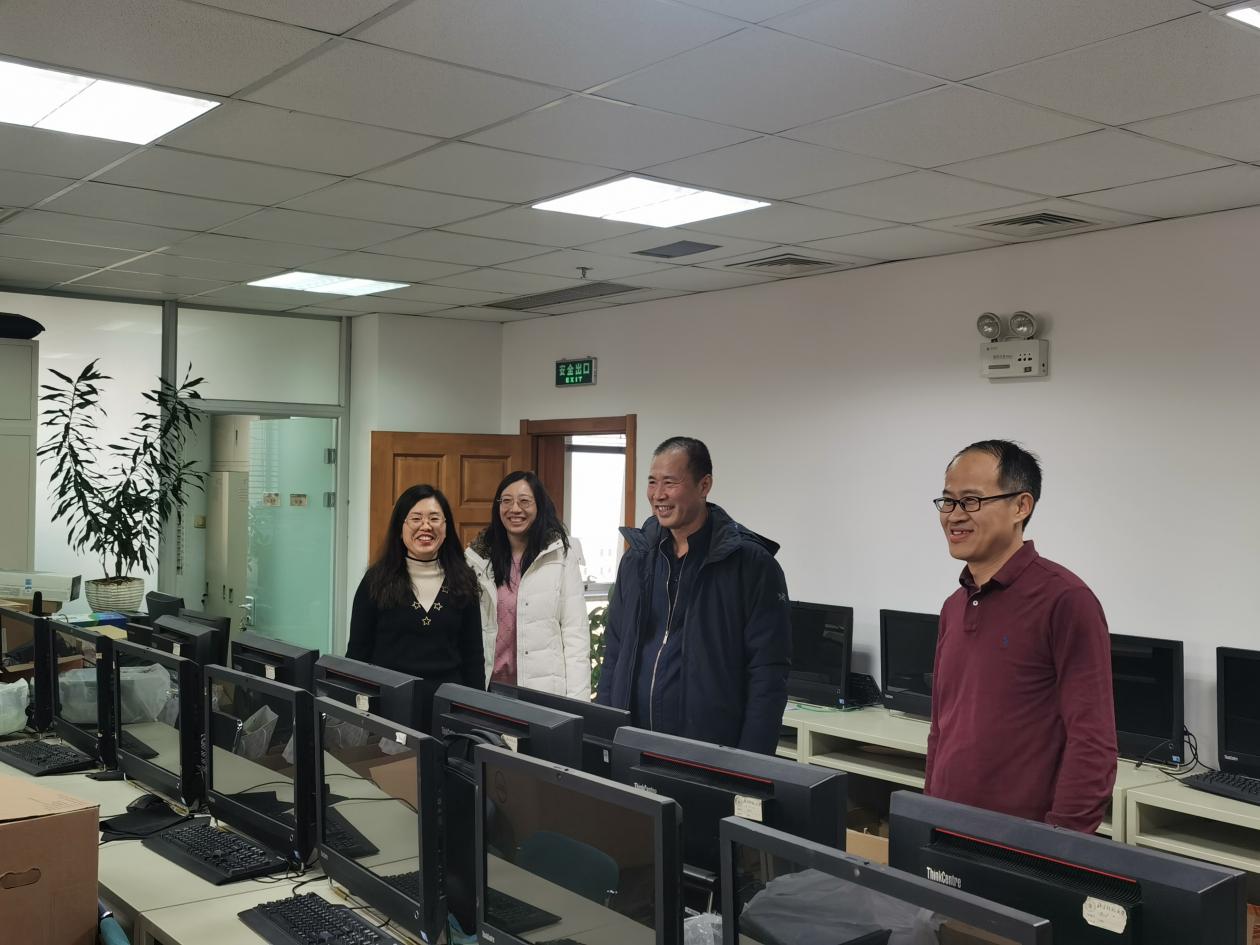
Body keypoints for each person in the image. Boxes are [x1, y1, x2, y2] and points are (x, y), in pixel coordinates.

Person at [924, 440, 1116, 833]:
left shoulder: (1066, 600)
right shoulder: (953, 607)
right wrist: (927, 815)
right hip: (946, 831)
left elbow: (1093, 743)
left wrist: (1059, 847)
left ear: (1020, 506)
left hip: (1021, 843)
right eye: (948, 501)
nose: (954, 515)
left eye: (971, 501)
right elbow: (940, 730)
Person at [595, 436, 791, 754]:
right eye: (652, 482)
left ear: (704, 485)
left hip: (710, 753)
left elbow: (768, 672)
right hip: (633, 744)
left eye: (670, 482)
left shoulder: (750, 564)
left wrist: (751, 763)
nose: (658, 494)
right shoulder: (637, 559)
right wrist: (604, 735)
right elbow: (614, 653)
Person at [347, 483, 485, 690]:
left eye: (434, 518)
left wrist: (475, 705)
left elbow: (473, 656)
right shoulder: (376, 580)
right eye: (416, 518)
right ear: (400, 528)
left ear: (446, 528)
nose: (426, 526)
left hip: (447, 702)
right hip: (388, 700)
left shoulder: (464, 580)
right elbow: (358, 653)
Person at [466, 471, 589, 699]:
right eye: (507, 501)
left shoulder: (560, 556)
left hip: (542, 693)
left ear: (539, 506)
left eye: (524, 501)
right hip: (488, 690)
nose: (515, 509)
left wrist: (578, 704)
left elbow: (576, 636)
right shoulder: (478, 559)